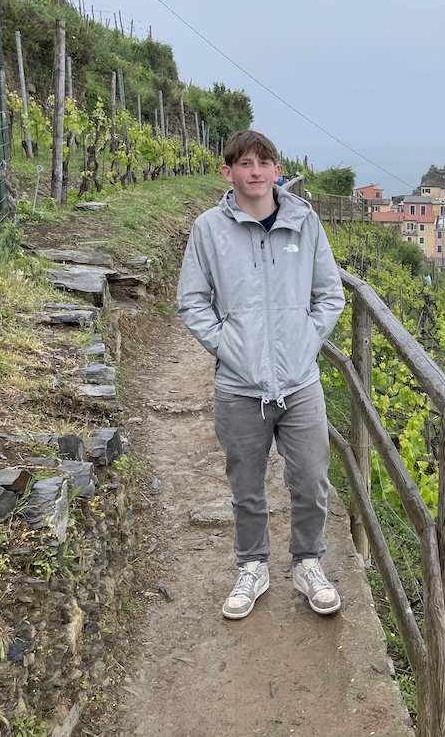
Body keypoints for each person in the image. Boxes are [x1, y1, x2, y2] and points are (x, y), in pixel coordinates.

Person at [177, 129, 346, 619]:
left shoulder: (305, 221)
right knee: (246, 486)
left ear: (277, 171)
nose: (255, 171)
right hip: (238, 386)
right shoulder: (209, 228)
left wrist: (306, 341)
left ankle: (308, 562)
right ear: (228, 172)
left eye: (264, 162)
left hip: (300, 382)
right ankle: (253, 565)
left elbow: (330, 294)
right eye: (245, 163)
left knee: (311, 479)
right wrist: (227, 346)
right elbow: (192, 300)